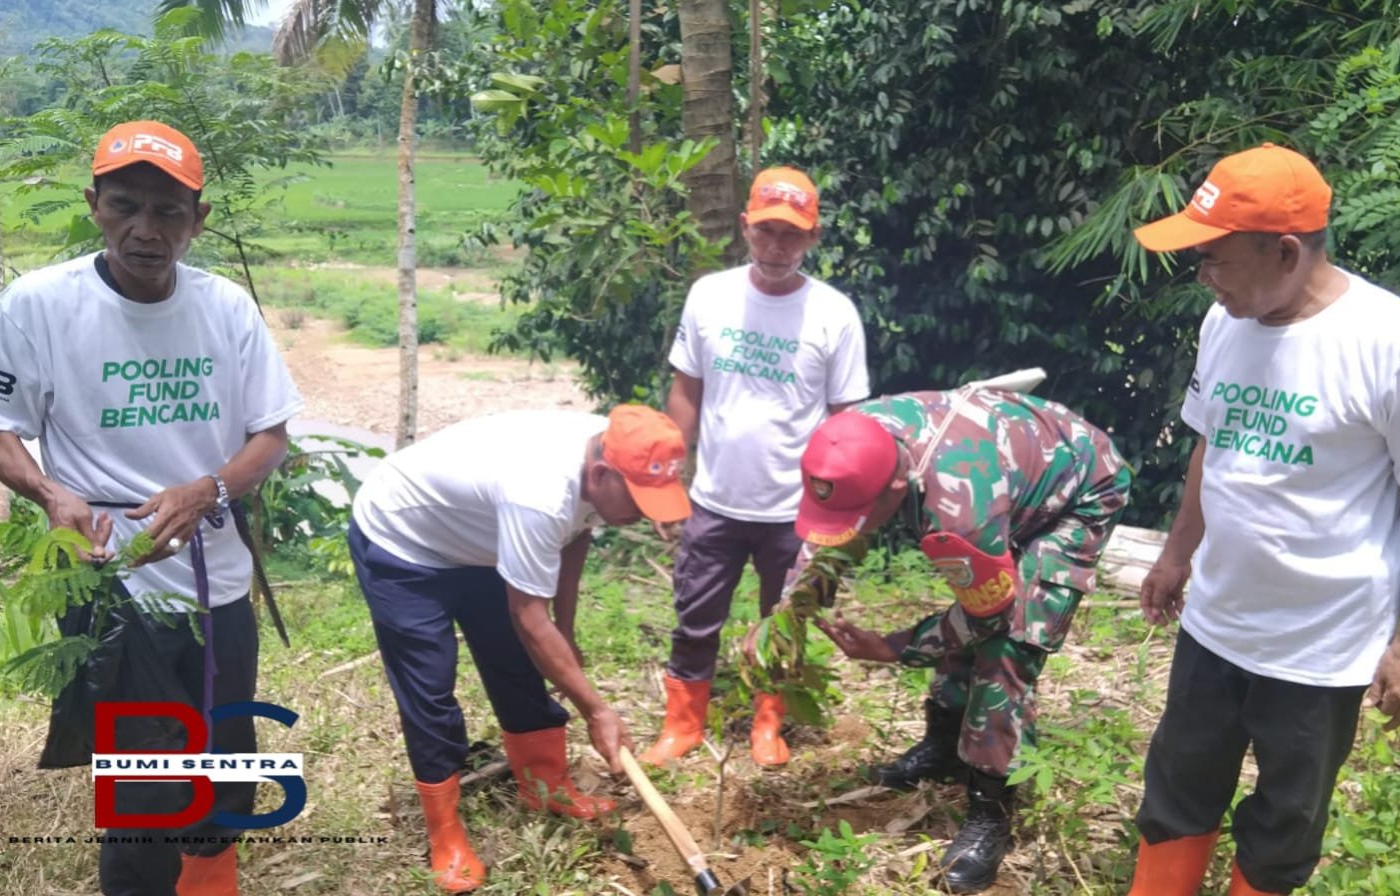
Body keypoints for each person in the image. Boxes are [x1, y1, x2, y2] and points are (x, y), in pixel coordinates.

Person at [0, 120, 303, 896]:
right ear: (94, 204)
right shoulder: (39, 305)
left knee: (226, 759)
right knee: (144, 788)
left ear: (200, 219)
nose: (144, 231)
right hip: (112, 586)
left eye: (168, 213)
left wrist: (207, 490)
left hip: (215, 577)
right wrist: (53, 493)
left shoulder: (225, 310)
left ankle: (211, 879)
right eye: (125, 206)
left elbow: (270, 435)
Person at [1124, 144, 1400, 895]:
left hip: (1322, 644)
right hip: (1217, 621)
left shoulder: (1394, 347)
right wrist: (1178, 556)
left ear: (1284, 252)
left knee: (1285, 819)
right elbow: (1213, 445)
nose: (1204, 277)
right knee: (1176, 791)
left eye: (1215, 259)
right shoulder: (1225, 324)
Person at [780, 387, 1130, 893]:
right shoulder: (848, 438)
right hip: (1011, 467)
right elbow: (829, 530)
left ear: (897, 485)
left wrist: (894, 647)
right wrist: (790, 608)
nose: (849, 529)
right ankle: (944, 746)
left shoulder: (960, 508)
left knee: (1008, 643)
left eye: (859, 518)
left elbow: (986, 615)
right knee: (973, 606)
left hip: (1079, 487)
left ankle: (991, 810)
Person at [346, 404, 691, 893]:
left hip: (481, 539)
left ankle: (545, 785)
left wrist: (565, 632)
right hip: (404, 542)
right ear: (601, 473)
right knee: (430, 684)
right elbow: (530, 617)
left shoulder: (608, 447)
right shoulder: (540, 492)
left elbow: (577, 532)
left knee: (518, 662)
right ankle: (445, 832)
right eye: (637, 499)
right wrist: (596, 711)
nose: (640, 513)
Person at [641, 165, 869, 768]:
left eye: (791, 236)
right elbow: (685, 391)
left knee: (786, 621)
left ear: (813, 238)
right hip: (715, 500)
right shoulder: (710, 296)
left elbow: (848, 422)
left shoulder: (834, 314)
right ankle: (683, 724)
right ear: (745, 228)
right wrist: (668, 480)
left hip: (796, 512)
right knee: (695, 618)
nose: (776, 248)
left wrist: (841, 512)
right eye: (766, 232)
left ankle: (769, 723)